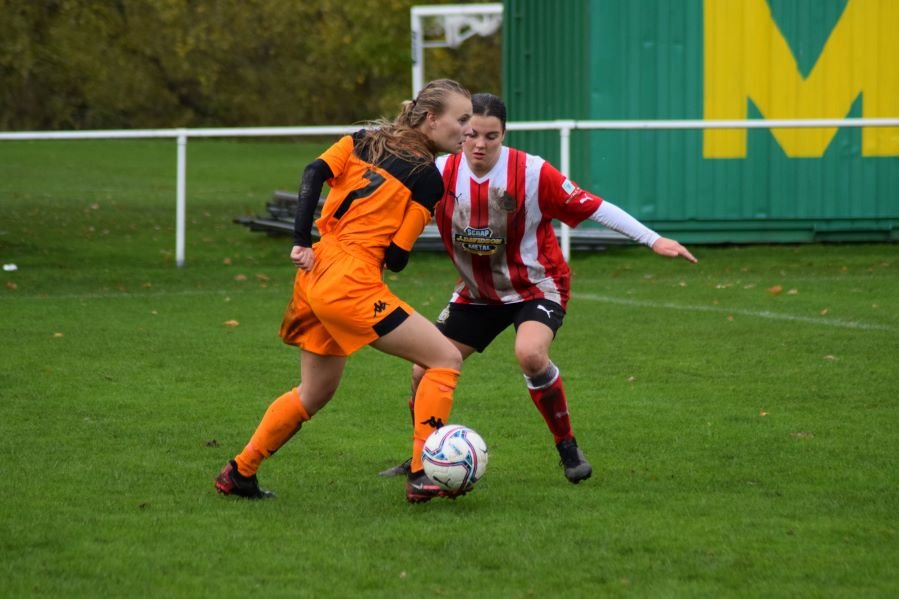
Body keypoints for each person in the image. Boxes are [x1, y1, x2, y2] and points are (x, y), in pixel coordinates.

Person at [379, 93, 697, 484]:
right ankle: (422, 459)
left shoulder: (531, 172)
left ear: (504, 134)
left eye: (491, 136)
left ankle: (568, 449)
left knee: (530, 354)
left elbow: (594, 206)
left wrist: (651, 239)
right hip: (477, 294)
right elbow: (386, 206)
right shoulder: (439, 172)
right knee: (421, 369)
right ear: (460, 130)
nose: (479, 144)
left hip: (536, 287)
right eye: (472, 134)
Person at [215, 79, 474, 503]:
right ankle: (422, 472)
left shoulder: (363, 140)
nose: (467, 129)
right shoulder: (428, 180)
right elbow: (396, 259)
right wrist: (420, 219)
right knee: (444, 358)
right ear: (431, 120)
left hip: (315, 270)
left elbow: (313, 171)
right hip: (351, 280)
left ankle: (239, 472)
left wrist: (300, 239)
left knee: (314, 392)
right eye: (461, 120)